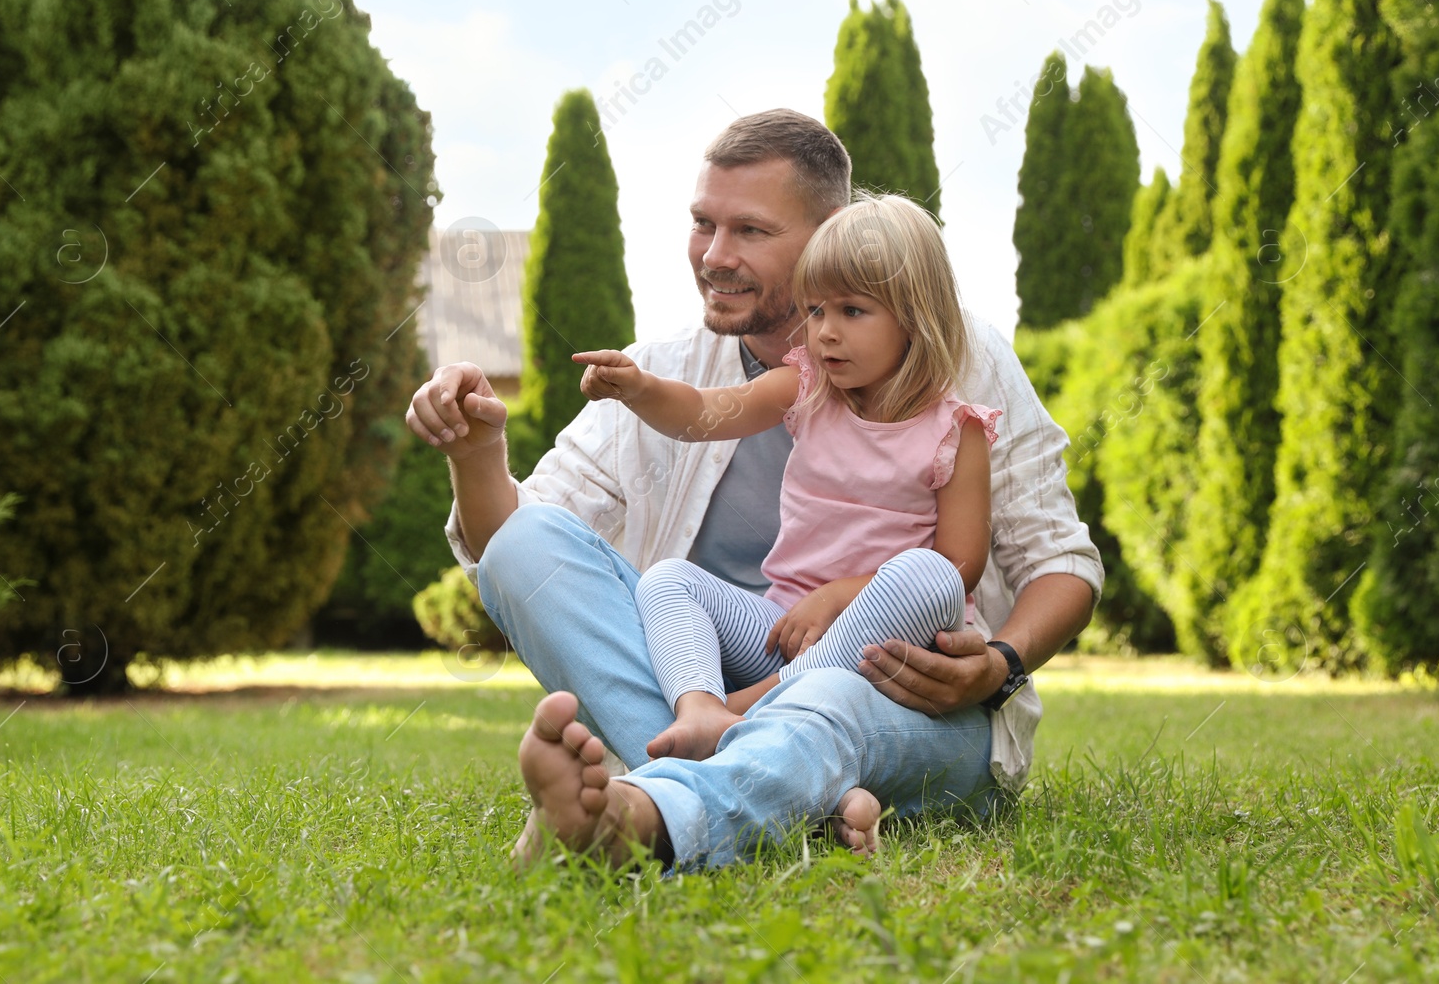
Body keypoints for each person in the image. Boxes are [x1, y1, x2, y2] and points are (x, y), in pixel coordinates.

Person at [406, 109, 1103, 868]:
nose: (714, 255)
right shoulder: (676, 367)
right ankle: (719, 775)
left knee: (833, 695)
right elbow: (516, 553)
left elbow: (1062, 563)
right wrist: (478, 453)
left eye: (751, 231)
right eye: (703, 223)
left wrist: (998, 661)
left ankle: (645, 810)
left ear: (836, 234)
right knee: (531, 544)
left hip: (898, 694)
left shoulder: (961, 367)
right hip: (719, 657)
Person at [572, 194, 1001, 777]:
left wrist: (840, 595)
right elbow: (703, 413)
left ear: (915, 315)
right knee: (669, 579)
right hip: (780, 625)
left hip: (881, 647)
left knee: (928, 577)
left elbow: (960, 564)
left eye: (852, 312)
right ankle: (698, 706)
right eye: (816, 311)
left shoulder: (956, 430)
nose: (825, 333)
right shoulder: (807, 386)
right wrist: (640, 388)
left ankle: (741, 712)